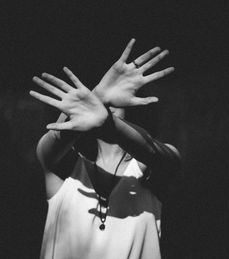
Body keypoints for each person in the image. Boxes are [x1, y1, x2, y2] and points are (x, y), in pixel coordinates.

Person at [30, 39, 181, 259]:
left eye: (105, 99)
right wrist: (99, 97)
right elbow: (50, 143)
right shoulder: (64, 167)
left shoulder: (149, 168)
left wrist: (105, 119)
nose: (103, 104)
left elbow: (156, 153)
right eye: (94, 96)